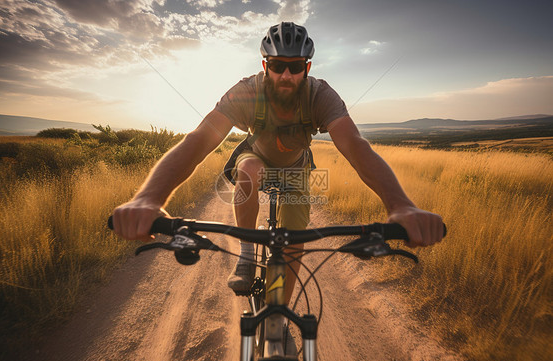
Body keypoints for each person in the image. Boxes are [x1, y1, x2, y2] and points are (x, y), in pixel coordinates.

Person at [111, 22, 444, 303]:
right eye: (277, 65)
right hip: (256, 158)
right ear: (265, 64)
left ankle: (276, 311)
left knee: (292, 245)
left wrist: (400, 205)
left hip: (296, 170)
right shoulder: (247, 92)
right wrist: (149, 198)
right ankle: (246, 251)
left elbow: (355, 146)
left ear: (307, 68)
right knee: (249, 169)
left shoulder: (320, 96)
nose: (286, 74)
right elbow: (199, 140)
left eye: (295, 67)